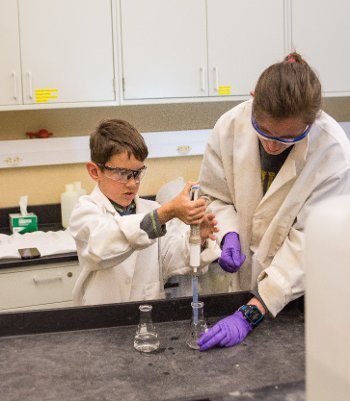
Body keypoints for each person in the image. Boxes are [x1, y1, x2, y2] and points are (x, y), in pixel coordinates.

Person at [197, 52, 350, 351]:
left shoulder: (332, 152)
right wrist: (229, 231)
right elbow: (215, 195)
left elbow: (310, 245)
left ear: (313, 119)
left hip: (306, 299)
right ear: (253, 98)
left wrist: (250, 314)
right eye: (263, 131)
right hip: (244, 286)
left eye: (287, 139)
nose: (272, 144)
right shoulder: (228, 127)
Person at [69, 119, 220, 306]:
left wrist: (198, 238)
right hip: (102, 321)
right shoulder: (85, 212)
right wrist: (166, 212)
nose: (132, 184)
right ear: (94, 171)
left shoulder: (152, 209)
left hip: (148, 318)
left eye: (137, 173)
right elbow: (101, 249)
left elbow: (174, 259)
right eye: (121, 173)